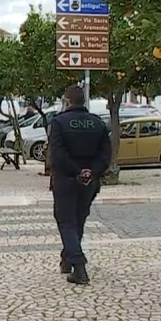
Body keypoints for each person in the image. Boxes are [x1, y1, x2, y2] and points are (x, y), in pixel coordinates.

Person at [48, 85, 112, 285]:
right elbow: (106, 154)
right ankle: (67, 259)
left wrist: (76, 170)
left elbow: (57, 155)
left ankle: (78, 266)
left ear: (67, 101)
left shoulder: (58, 122)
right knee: (78, 219)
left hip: (66, 179)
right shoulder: (98, 123)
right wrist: (90, 171)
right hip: (90, 180)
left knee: (66, 221)